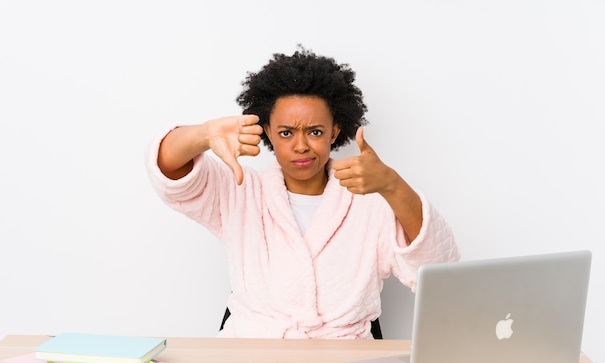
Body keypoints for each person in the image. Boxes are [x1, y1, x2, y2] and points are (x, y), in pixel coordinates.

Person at [146, 47, 460, 339]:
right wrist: (202, 134)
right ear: (267, 131)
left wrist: (393, 185)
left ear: (335, 131)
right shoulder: (240, 190)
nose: (301, 145)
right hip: (251, 360)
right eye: (286, 132)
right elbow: (169, 171)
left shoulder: (369, 200)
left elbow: (438, 271)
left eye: (315, 131)